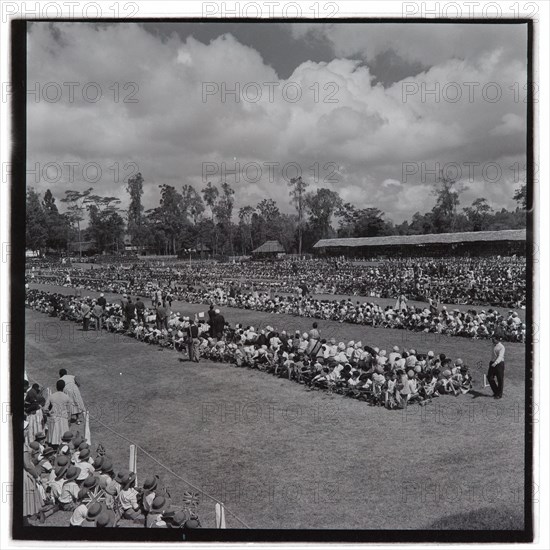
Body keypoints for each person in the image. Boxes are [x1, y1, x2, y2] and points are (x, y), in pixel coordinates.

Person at [43, 380, 72, 447]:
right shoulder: (67, 397)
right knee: (63, 433)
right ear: (64, 387)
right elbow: (69, 410)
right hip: (64, 418)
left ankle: (54, 444)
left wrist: (49, 414)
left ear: (56, 387)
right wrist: (69, 418)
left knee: (54, 432)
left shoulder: (51, 396)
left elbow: (45, 409)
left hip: (54, 418)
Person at [488, 334, 506, 399]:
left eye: (493, 339)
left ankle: (499, 395)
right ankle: (496, 392)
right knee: (489, 377)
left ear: (497, 339)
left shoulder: (502, 347)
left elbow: (500, 356)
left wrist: (495, 363)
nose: (492, 340)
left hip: (499, 364)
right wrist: (492, 362)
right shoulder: (493, 345)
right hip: (492, 363)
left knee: (500, 379)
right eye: (492, 339)